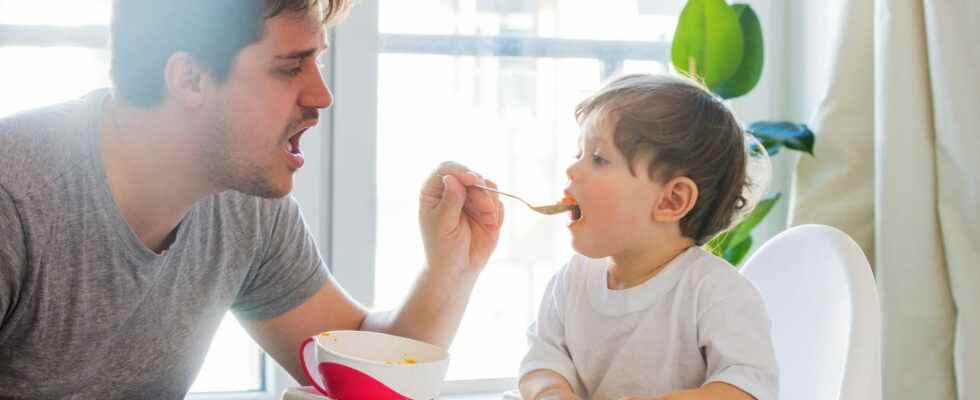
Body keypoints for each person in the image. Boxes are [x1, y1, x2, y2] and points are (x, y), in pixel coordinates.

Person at [0, 1, 504, 398]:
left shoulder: (244, 205)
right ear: (189, 79)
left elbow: (367, 376)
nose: (322, 95)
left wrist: (450, 269)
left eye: (318, 61)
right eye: (291, 68)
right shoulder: (16, 197)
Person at [518, 74, 778, 400]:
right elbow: (542, 360)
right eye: (579, 153)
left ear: (672, 200)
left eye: (598, 159)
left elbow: (749, 388)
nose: (572, 170)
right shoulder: (572, 280)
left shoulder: (715, 292)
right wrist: (551, 392)